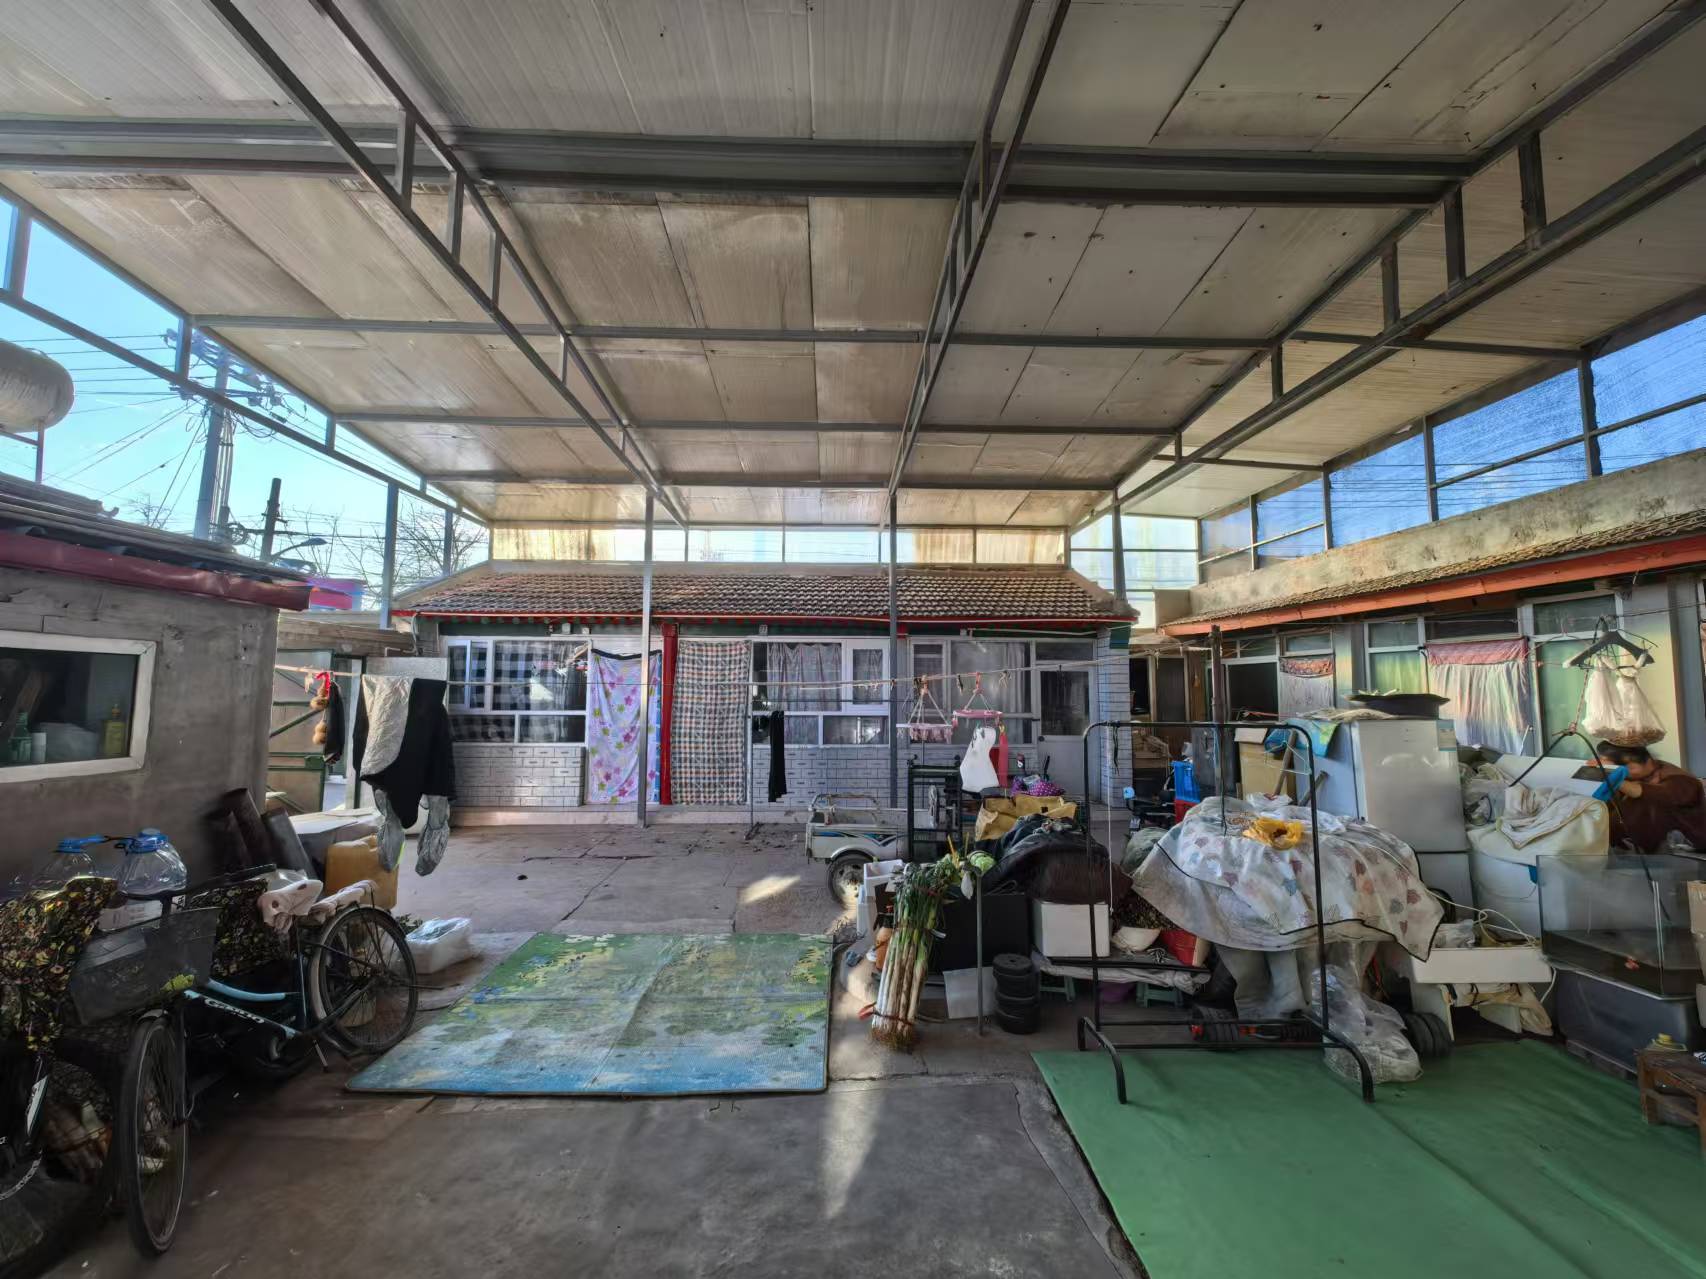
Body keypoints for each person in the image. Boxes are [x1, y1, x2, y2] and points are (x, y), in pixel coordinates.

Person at [1594, 740, 1706, 852]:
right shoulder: (1634, 776)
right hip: (1623, 849)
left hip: (1682, 852)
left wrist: (1612, 778)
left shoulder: (1682, 781)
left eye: (1628, 767)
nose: (1621, 772)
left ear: (1646, 761)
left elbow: (1646, 792)